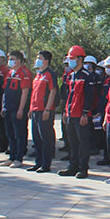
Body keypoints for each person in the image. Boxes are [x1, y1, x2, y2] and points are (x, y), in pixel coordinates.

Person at [59, 45, 95, 179]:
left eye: (72, 58)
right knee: (72, 142)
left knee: (83, 142)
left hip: (81, 115)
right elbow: (68, 95)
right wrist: (65, 111)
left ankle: (83, 168)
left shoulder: (87, 76)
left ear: (80, 59)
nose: (70, 61)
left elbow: (89, 96)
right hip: (71, 113)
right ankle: (72, 166)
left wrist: (85, 113)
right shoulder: (71, 76)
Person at [0, 51, 33, 168]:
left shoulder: (24, 73)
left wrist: (21, 109)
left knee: (19, 134)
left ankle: (19, 158)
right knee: (10, 134)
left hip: (17, 108)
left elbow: (25, 92)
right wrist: (3, 106)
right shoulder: (10, 73)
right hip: (8, 107)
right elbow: (5, 90)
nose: (10, 61)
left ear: (19, 60)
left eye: (12, 59)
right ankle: (12, 156)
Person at [28, 50, 58, 173]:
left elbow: (53, 91)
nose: (37, 60)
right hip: (35, 110)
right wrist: (31, 108)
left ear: (46, 60)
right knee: (36, 138)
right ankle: (38, 162)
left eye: (39, 58)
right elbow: (34, 92)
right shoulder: (38, 74)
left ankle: (46, 164)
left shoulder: (50, 74)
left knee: (46, 138)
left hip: (44, 110)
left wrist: (47, 109)